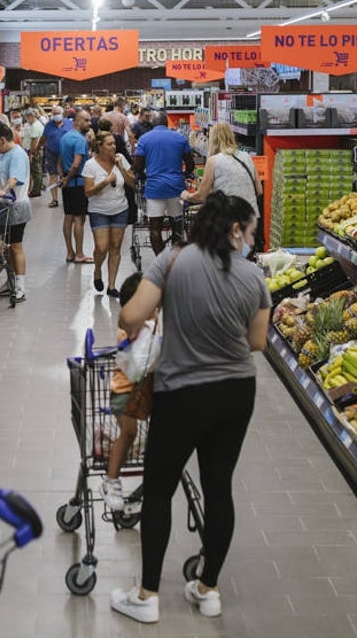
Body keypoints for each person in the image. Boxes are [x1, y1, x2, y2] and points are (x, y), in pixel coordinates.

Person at [110, 192, 269, 624]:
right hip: (237, 392)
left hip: (182, 394)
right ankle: (208, 587)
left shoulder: (174, 261)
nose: (251, 239)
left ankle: (146, 595)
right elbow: (257, 342)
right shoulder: (254, 277)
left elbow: (134, 316)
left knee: (159, 490)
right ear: (234, 229)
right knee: (219, 489)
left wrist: (135, 317)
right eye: (250, 231)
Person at [102, 272, 157, 512]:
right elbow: (138, 363)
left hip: (146, 392)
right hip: (125, 393)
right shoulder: (130, 330)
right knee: (128, 432)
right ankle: (111, 481)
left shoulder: (151, 326)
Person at [185, 122, 263, 250]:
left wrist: (186, 196)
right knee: (245, 258)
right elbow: (259, 190)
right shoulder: (247, 157)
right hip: (250, 217)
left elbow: (200, 196)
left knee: (225, 258)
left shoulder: (214, 161)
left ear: (213, 139)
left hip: (228, 219)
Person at [134, 112, 194, 256]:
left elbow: (138, 166)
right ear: (167, 123)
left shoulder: (144, 139)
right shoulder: (180, 138)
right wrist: (183, 175)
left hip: (154, 189)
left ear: (152, 124)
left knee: (155, 228)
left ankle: (161, 262)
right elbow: (190, 164)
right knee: (177, 225)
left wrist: (142, 176)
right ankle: (175, 259)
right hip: (176, 189)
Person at [83, 131, 136, 296]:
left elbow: (132, 182)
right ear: (100, 146)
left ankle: (112, 285)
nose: (114, 147)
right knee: (101, 247)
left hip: (120, 209)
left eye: (114, 143)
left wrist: (121, 166)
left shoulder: (120, 159)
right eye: (109, 144)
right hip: (98, 210)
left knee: (115, 247)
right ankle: (97, 270)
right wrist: (105, 182)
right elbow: (88, 192)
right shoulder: (90, 165)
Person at [0, 122, 31, 303]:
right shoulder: (2, 154)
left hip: (15, 207)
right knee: (6, 249)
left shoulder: (18, 155)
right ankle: (11, 282)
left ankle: (21, 286)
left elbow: (14, 179)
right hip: (1, 209)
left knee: (15, 247)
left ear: (2, 140)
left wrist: (4, 190)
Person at [60, 109, 93, 264]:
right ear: (78, 121)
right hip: (78, 183)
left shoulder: (65, 137)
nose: (89, 123)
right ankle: (79, 253)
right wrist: (68, 178)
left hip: (67, 184)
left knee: (68, 217)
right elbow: (77, 163)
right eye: (86, 120)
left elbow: (59, 161)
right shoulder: (80, 140)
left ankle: (69, 252)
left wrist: (62, 177)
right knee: (79, 219)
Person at [42, 105, 71, 208]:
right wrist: (37, 149)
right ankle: (54, 199)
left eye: (58, 113)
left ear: (62, 114)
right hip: (52, 154)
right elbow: (44, 138)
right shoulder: (48, 125)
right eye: (54, 114)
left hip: (66, 154)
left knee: (66, 175)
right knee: (53, 176)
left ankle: (68, 198)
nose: (56, 115)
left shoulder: (69, 124)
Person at [20, 107, 45, 197]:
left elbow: (34, 141)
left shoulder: (35, 126)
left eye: (27, 117)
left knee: (35, 171)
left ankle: (36, 190)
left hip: (33, 151)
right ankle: (39, 187)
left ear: (30, 116)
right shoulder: (38, 124)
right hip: (37, 151)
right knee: (37, 170)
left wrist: (31, 154)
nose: (27, 119)